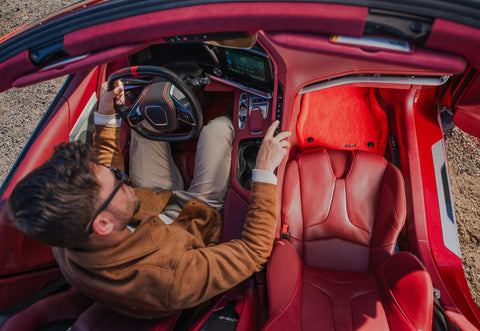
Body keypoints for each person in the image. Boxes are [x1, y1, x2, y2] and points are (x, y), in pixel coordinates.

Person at [7, 82, 291, 320]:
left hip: (152, 206)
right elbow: (253, 252)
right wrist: (263, 173)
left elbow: (103, 178)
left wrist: (106, 114)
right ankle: (228, 117)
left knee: (143, 129)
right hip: (196, 219)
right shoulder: (170, 279)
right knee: (216, 130)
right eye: (120, 183)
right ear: (103, 224)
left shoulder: (66, 232)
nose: (124, 179)